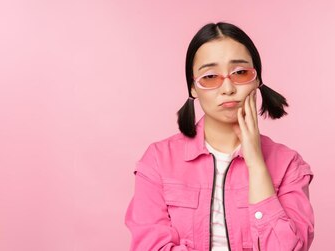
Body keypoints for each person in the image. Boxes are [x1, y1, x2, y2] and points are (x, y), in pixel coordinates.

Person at [124, 22, 315, 251]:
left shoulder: (289, 165)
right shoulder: (157, 160)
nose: (227, 88)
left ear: (257, 80)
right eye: (210, 76)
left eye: (240, 73)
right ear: (193, 88)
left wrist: (256, 164)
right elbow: (150, 246)